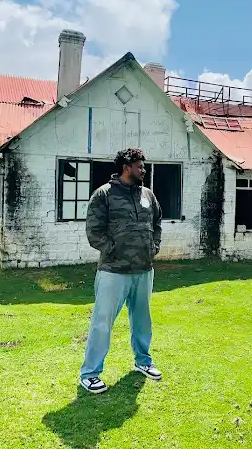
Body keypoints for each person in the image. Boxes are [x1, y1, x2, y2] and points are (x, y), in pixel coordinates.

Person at [79, 148, 163, 394]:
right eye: (140, 166)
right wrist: (113, 250)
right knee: (102, 322)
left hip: (143, 270)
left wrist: (154, 247)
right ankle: (90, 374)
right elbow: (93, 231)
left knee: (142, 320)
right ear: (127, 167)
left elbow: (157, 223)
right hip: (113, 271)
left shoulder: (147, 195)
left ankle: (143, 362)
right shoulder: (104, 195)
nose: (143, 170)